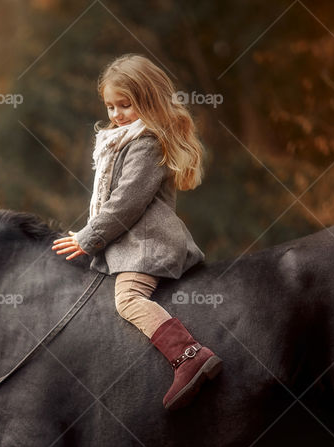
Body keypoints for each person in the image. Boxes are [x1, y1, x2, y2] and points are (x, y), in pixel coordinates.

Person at [52, 53, 223, 410]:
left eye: (125, 105)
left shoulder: (145, 143)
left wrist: (87, 238)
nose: (116, 115)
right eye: (111, 107)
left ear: (149, 100)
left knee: (127, 299)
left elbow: (124, 204)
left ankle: (188, 355)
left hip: (147, 245)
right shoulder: (120, 141)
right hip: (131, 242)